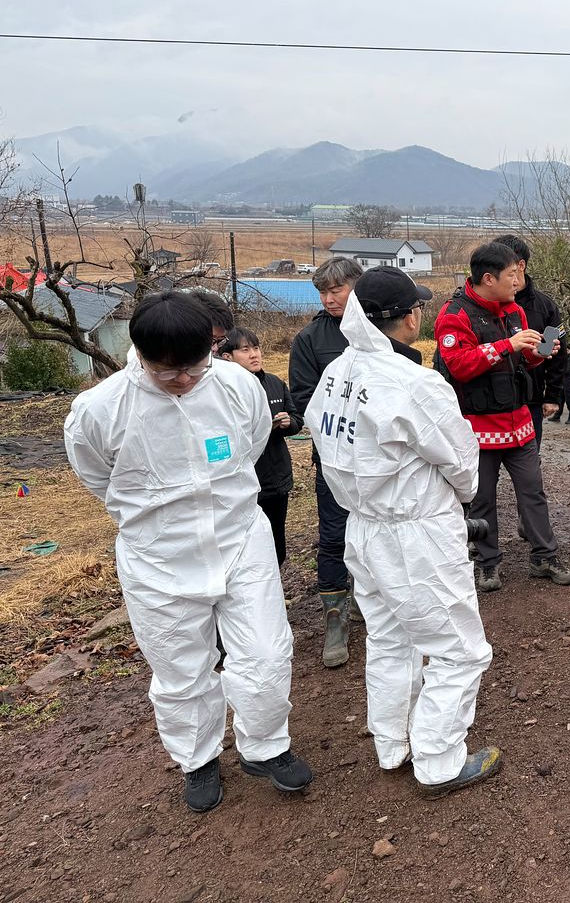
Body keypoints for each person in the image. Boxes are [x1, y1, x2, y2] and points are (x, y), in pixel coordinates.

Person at [64, 291, 312, 813]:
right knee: (180, 667)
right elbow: (97, 478)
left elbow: (250, 443)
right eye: (167, 372)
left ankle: (265, 745)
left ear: (211, 348)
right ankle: (198, 759)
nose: (183, 380)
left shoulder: (238, 387)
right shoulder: (99, 410)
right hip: (159, 557)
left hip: (239, 539)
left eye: (195, 369)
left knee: (266, 651)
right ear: (140, 354)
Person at [305, 266, 503, 797]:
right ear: (408, 317)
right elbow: (461, 460)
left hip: (363, 528)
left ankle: (392, 743)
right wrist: (458, 497)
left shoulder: (337, 373)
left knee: (391, 639)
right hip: (415, 532)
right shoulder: (414, 383)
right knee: (459, 650)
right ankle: (438, 760)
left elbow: (319, 438)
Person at [434, 241, 570, 591]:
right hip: (477, 428)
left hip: (520, 422)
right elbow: (460, 365)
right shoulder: (455, 315)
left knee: (533, 491)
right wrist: (507, 346)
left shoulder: (514, 310)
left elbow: (523, 360)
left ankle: (544, 556)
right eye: (512, 275)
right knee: (482, 498)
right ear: (488, 278)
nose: (518, 281)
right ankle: (488, 563)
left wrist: (539, 353)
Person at [289, 256, 363, 668]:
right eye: (323, 292)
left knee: (378, 528)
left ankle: (372, 601)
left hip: (381, 460)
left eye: (337, 290)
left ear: (357, 287)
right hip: (334, 459)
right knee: (334, 535)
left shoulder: (378, 330)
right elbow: (303, 399)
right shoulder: (310, 339)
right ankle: (335, 616)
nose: (329, 299)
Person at [218, 327, 302, 565]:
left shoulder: (274, 383)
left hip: (276, 478)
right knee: (247, 549)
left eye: (256, 348)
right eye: (245, 350)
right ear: (228, 357)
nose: (254, 354)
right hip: (243, 483)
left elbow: (297, 419)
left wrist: (288, 423)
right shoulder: (223, 391)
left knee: (277, 543)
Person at [494, 235, 568, 445]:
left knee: (528, 461)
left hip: (531, 399)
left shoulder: (545, 307)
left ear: (521, 265)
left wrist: (552, 395)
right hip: (490, 401)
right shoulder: (485, 305)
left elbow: (556, 352)